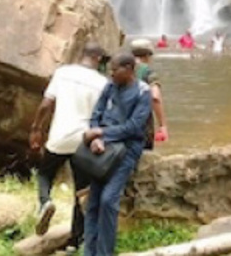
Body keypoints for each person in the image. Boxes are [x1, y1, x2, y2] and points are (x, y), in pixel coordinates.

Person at [29, 43, 110, 246]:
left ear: (82, 55)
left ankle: (45, 202)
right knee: (81, 190)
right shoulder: (102, 83)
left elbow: (46, 104)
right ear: (98, 59)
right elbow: (105, 117)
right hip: (84, 139)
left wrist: (37, 129)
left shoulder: (63, 73)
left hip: (60, 135)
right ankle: (76, 240)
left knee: (45, 173)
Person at [81, 52, 152, 256]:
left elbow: (134, 127)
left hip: (127, 150)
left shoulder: (142, 92)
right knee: (93, 201)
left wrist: (102, 133)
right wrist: (94, 138)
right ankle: (89, 252)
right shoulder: (110, 87)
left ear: (129, 70)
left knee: (108, 200)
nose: (111, 73)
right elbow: (96, 115)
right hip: (103, 149)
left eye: (115, 70)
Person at [131, 39, 168, 144]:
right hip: (142, 124)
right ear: (148, 55)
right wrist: (162, 125)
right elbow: (155, 97)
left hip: (120, 125)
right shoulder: (148, 72)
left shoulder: (120, 69)